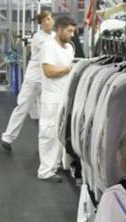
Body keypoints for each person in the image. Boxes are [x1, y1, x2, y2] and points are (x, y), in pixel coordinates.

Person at [0, 11, 54, 152]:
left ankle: (45, 143)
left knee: (46, 112)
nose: (49, 22)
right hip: (33, 78)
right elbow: (48, 54)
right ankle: (7, 137)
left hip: (47, 79)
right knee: (22, 107)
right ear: (41, 23)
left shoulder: (53, 36)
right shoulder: (38, 37)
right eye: (46, 20)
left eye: (50, 19)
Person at [36, 15, 75, 183]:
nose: (72, 34)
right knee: (48, 134)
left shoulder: (69, 49)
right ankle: (45, 171)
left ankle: (55, 165)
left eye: (73, 31)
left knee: (59, 134)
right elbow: (49, 71)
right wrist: (69, 69)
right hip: (51, 98)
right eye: (69, 30)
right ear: (59, 29)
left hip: (64, 97)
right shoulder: (48, 46)